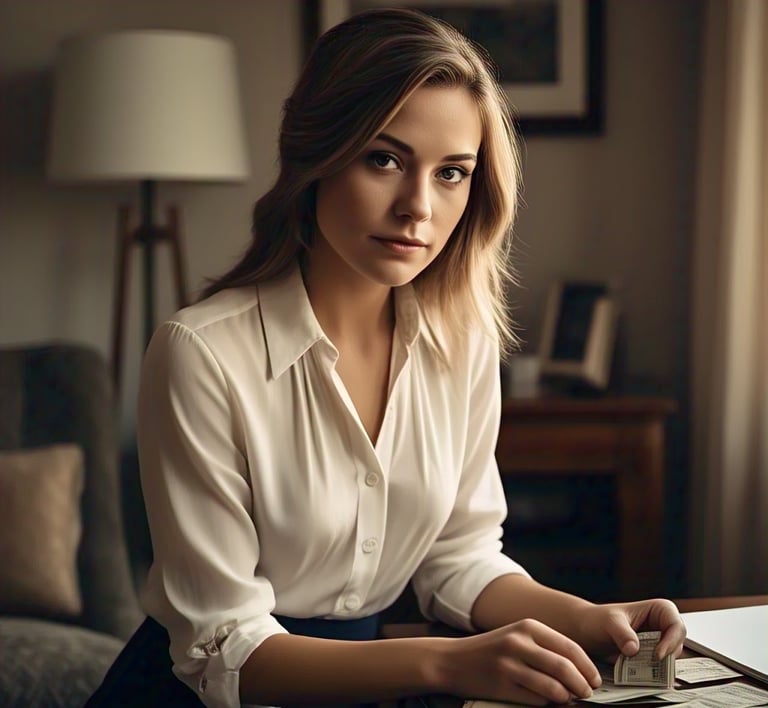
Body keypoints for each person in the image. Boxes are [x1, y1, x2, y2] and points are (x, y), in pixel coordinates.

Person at [91, 8, 686, 708]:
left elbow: (458, 556)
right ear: (316, 155)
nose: (418, 207)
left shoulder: (463, 342)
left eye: (452, 173)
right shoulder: (201, 354)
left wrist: (585, 619)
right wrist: (445, 662)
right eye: (385, 159)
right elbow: (225, 648)